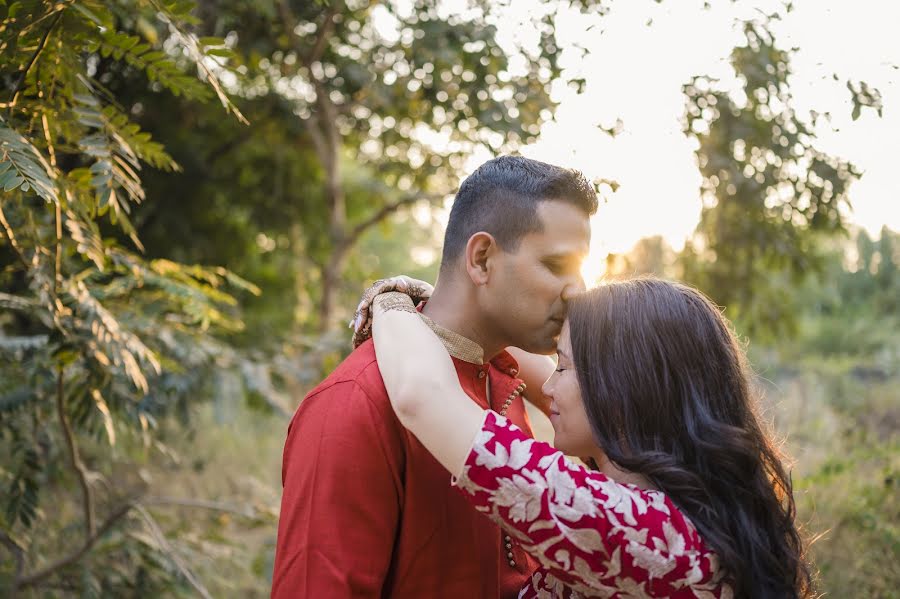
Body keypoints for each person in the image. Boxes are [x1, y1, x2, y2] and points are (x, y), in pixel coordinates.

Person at [271, 155, 598, 598]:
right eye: (558, 266)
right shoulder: (356, 402)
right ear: (481, 259)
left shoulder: (505, 378)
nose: (578, 290)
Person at [368, 278, 812, 598]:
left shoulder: (636, 529)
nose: (549, 386)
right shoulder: (691, 513)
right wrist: (460, 312)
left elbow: (422, 396)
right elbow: (557, 383)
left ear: (622, 389)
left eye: (563, 366)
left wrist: (391, 302)